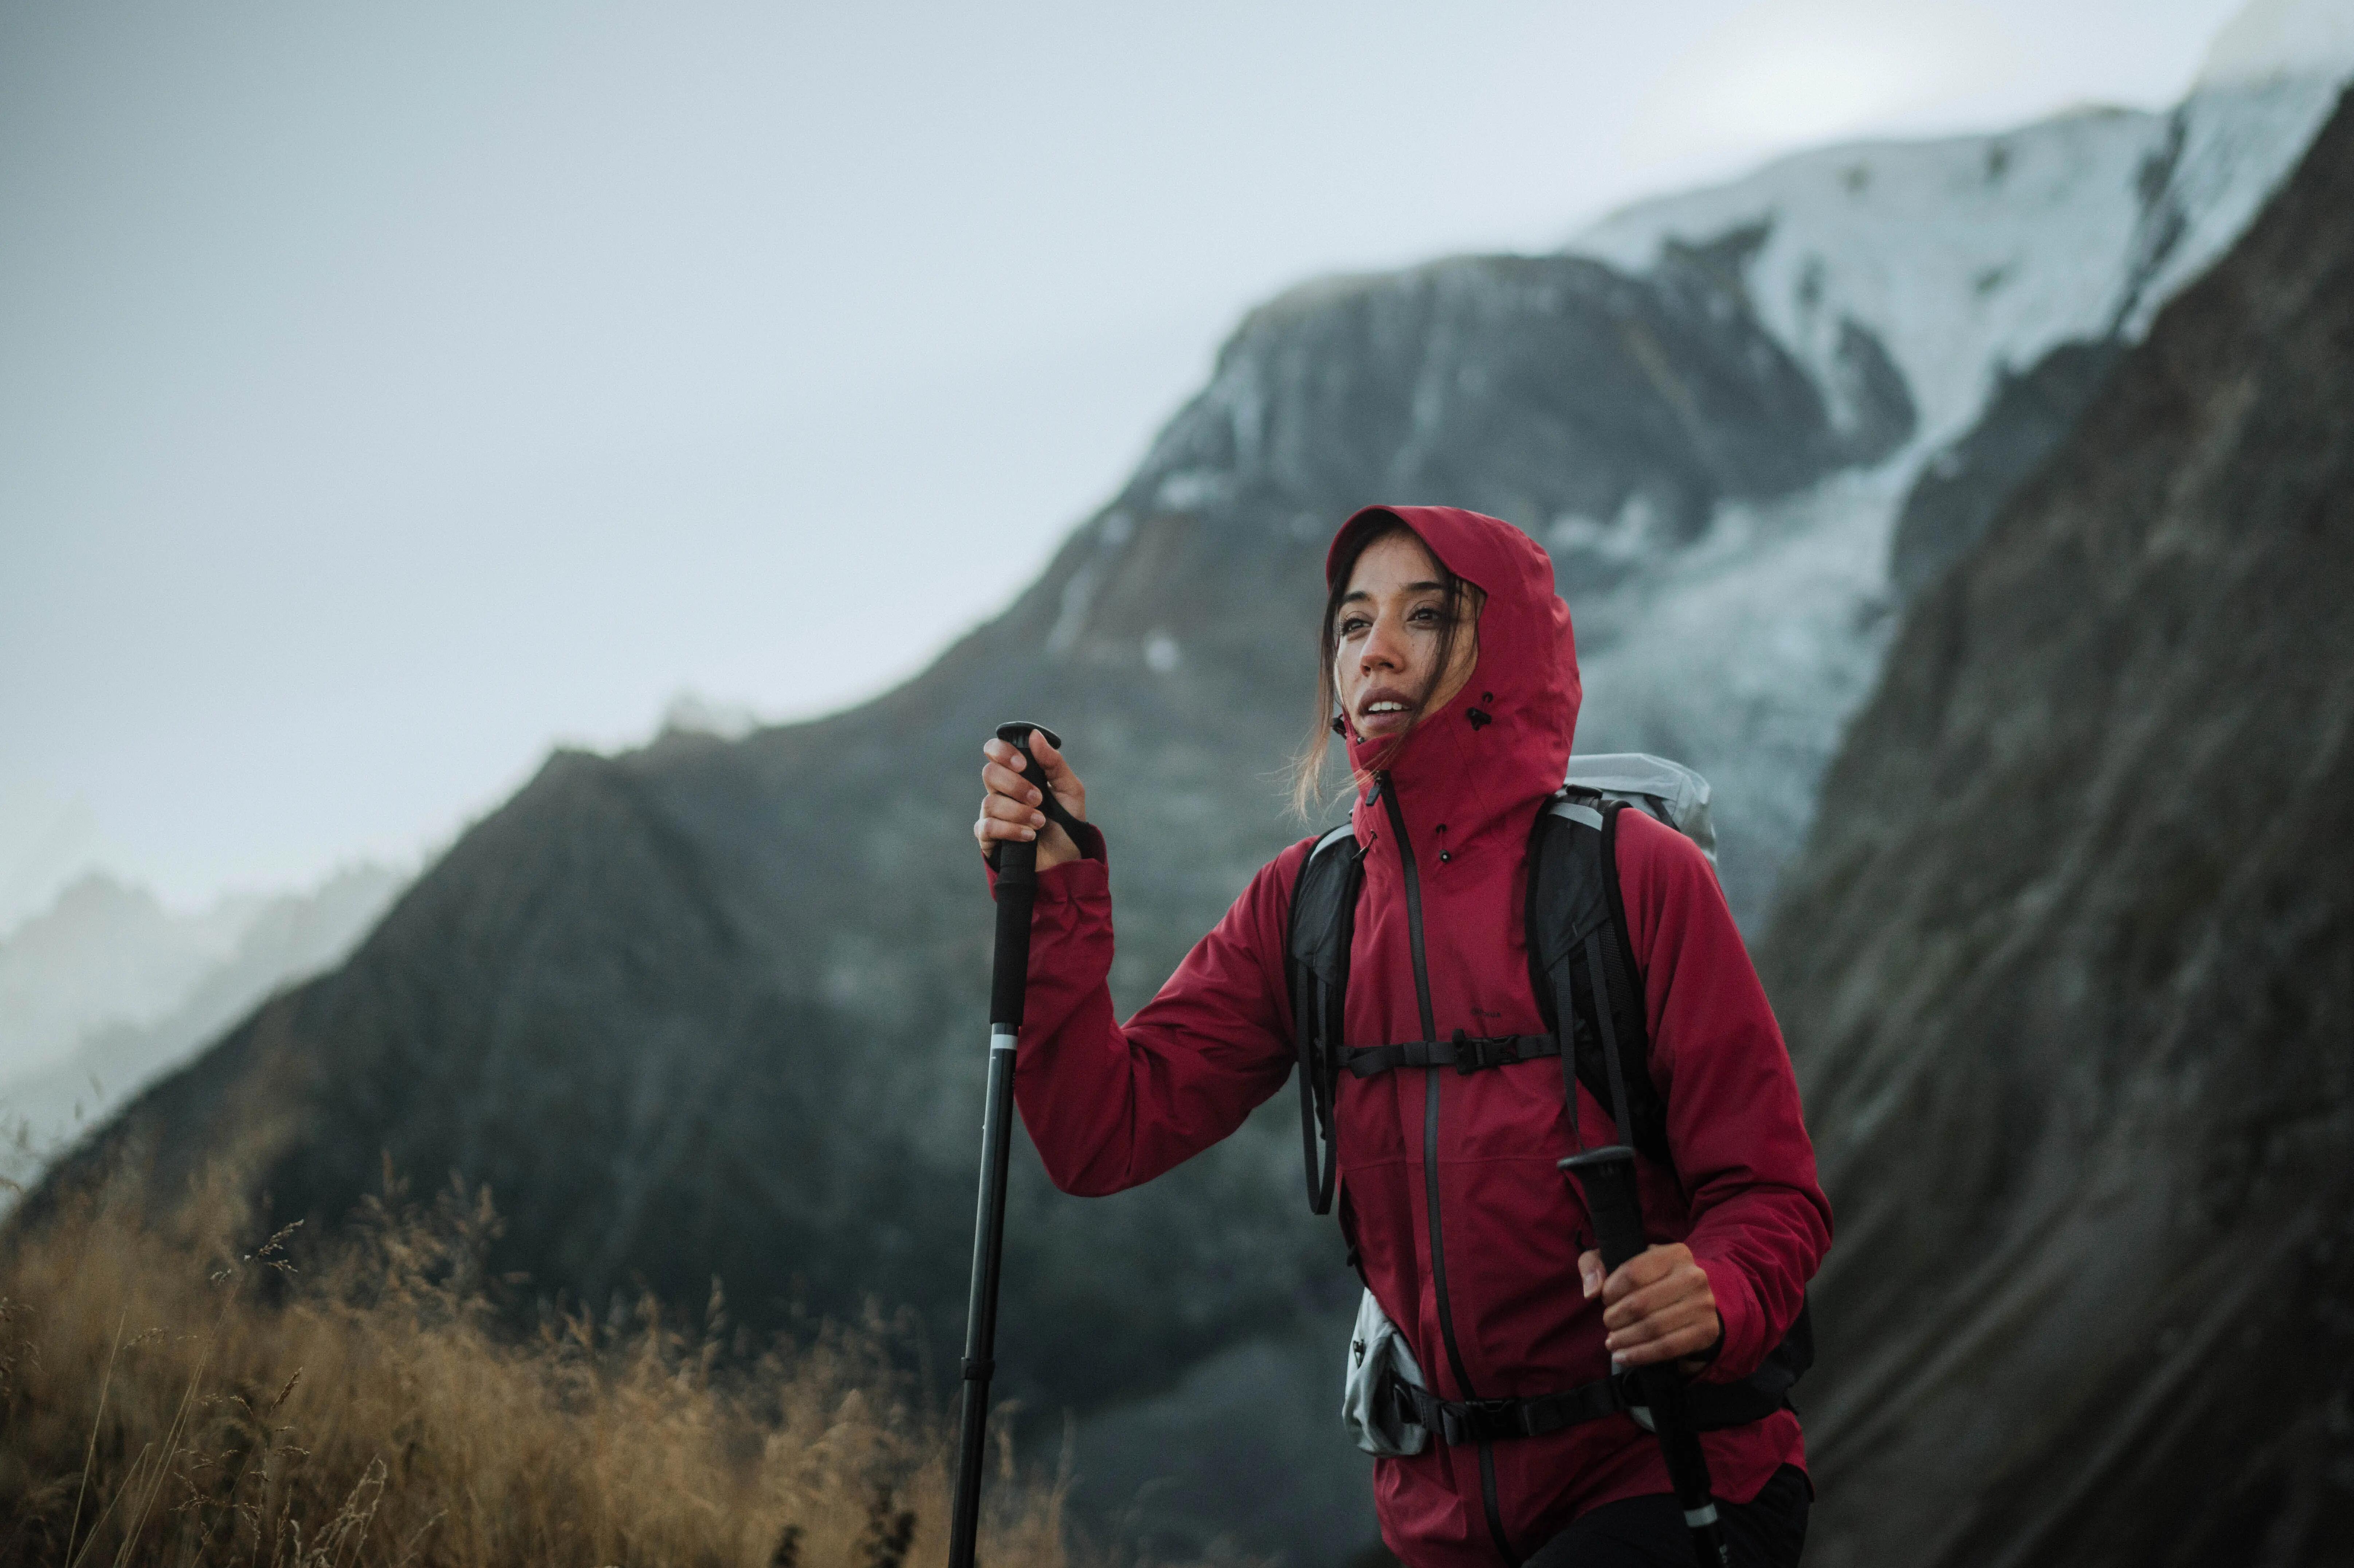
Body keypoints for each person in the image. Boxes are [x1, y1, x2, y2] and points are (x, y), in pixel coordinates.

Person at [973, 506, 1830, 1568]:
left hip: (1676, 1474)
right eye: (1352, 623)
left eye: (1425, 616)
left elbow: (1772, 1194)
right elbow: (1103, 1133)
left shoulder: (1634, 875)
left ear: (1504, 646)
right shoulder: (1306, 904)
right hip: (1439, 1524)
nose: (1373, 649)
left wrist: (1716, 1288)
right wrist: (1058, 894)